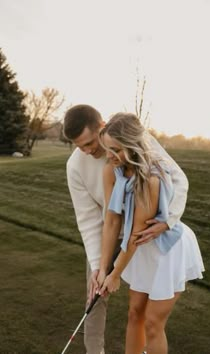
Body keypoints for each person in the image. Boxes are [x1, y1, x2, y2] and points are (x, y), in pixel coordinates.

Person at [63, 105, 189, 354]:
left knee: (143, 311)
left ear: (102, 127)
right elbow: (91, 219)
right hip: (110, 232)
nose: (88, 152)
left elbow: (179, 180)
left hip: (145, 232)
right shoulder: (77, 166)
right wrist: (99, 265)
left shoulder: (136, 140)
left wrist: (168, 221)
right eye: (80, 147)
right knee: (95, 293)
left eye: (90, 143)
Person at [97, 113, 204, 354]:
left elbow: (135, 232)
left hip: (168, 250)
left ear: (133, 146)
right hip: (142, 249)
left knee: (154, 323)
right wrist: (103, 269)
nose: (109, 155)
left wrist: (115, 275)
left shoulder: (150, 179)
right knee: (135, 313)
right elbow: (111, 222)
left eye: (116, 150)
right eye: (107, 148)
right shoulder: (110, 171)